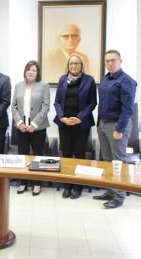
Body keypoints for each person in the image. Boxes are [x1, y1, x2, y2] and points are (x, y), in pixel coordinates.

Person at [93, 50, 137, 209]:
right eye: (107, 61)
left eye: (113, 60)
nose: (109, 63)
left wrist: (119, 129)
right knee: (107, 160)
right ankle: (111, 191)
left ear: (120, 61)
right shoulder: (105, 79)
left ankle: (119, 197)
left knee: (118, 162)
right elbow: (102, 104)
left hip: (117, 125)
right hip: (103, 125)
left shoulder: (127, 81)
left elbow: (128, 109)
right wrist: (99, 125)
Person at [54, 55, 97, 199]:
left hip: (81, 124)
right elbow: (57, 101)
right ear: (68, 65)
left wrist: (79, 118)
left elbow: (92, 103)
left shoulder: (89, 80)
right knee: (66, 154)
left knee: (79, 155)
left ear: (81, 65)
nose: (73, 66)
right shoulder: (62, 79)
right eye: (71, 63)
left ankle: (78, 186)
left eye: (76, 63)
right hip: (64, 123)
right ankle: (67, 185)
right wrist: (62, 117)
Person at [12, 61, 50, 196]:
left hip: (37, 128)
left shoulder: (43, 85)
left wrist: (34, 125)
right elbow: (13, 107)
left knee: (37, 156)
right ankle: (23, 182)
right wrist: (19, 123)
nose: (31, 72)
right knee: (22, 155)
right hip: (21, 127)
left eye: (34, 70)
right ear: (25, 71)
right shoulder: (18, 85)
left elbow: (46, 107)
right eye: (29, 69)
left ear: (37, 72)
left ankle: (37, 184)